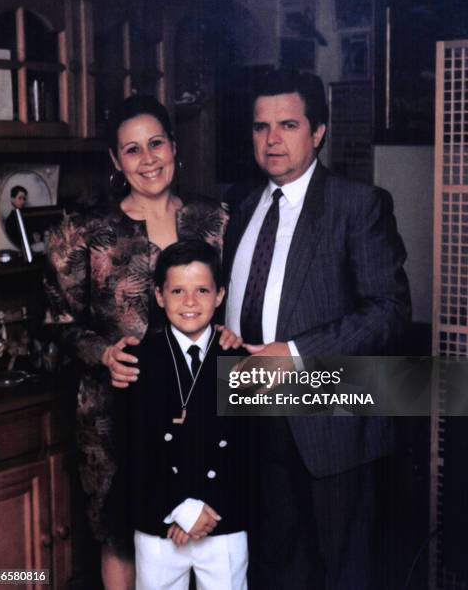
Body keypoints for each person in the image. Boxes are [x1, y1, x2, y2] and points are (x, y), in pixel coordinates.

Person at [223, 69, 411, 589]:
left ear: (318, 131)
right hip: (250, 414)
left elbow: (390, 311)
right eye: (262, 127)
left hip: (332, 422)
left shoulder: (358, 205)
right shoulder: (240, 205)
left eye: (288, 124)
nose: (273, 140)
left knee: (342, 571)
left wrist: (299, 353)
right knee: (275, 566)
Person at [45, 94, 238, 590]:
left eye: (156, 143)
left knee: (209, 531)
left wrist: (230, 332)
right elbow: (59, 321)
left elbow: (228, 297)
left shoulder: (214, 220)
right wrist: (101, 352)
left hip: (201, 406)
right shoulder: (83, 233)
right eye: (132, 150)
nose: (148, 158)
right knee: (124, 533)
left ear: (175, 146)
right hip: (117, 412)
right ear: (115, 160)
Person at [125, 240, 253, 590]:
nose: (191, 302)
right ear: (159, 295)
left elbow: (248, 449)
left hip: (221, 519)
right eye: (178, 290)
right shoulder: (137, 360)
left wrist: (204, 514)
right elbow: (135, 449)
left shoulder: (237, 358)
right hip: (160, 520)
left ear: (221, 295)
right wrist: (181, 511)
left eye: (202, 290)